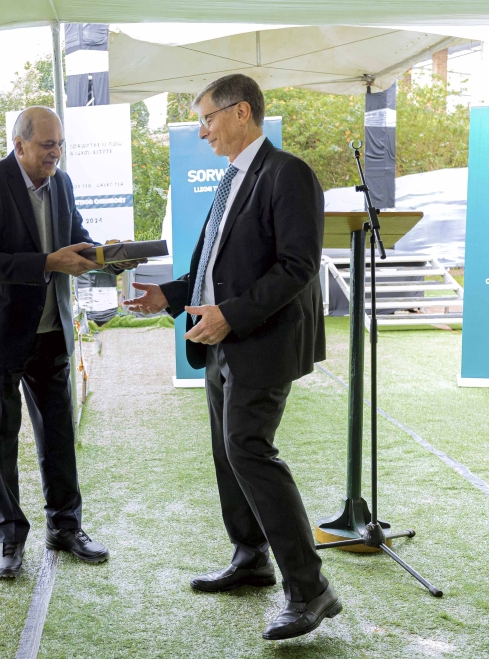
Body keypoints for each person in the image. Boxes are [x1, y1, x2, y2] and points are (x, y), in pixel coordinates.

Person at [124, 74, 338, 641]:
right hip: (221, 338)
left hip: (260, 341)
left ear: (240, 112)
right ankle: (251, 558)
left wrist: (231, 315)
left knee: (249, 448)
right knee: (229, 451)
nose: (203, 131)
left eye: (208, 118)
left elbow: (297, 267)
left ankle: (310, 589)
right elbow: (217, 265)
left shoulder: (287, 173)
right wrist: (169, 297)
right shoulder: (232, 178)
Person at [0, 106, 139, 578]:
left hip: (51, 328)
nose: (55, 153)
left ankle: (66, 526)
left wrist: (105, 256)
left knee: (58, 434)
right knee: (1, 437)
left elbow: (73, 240)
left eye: (59, 144)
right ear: (19, 145)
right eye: (46, 145)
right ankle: (10, 538)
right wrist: (48, 263)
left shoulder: (63, 183)